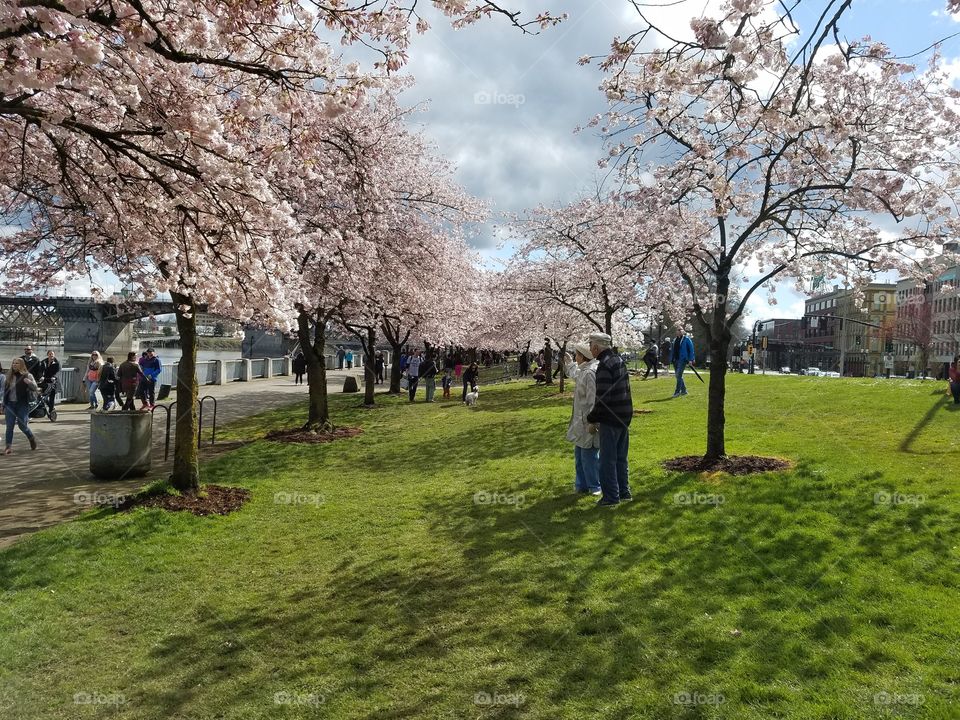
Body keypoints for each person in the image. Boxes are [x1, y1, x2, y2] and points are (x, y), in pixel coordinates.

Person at [585, 332, 633, 507]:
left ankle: (611, 497)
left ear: (596, 347)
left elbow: (602, 399)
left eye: (590, 345)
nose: (590, 348)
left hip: (611, 418)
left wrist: (592, 418)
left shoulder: (604, 365)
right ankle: (624, 492)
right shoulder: (619, 360)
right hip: (624, 416)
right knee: (621, 458)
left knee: (607, 460)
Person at [564, 342, 602, 496]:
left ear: (583, 357)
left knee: (589, 456)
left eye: (576, 355)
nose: (575, 357)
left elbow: (594, 399)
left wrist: (594, 421)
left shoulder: (590, 373)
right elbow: (575, 374)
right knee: (580, 456)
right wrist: (570, 363)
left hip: (588, 421)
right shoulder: (584, 371)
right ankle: (581, 485)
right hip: (581, 422)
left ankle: (595, 486)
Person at [3, 357, 39, 454]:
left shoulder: (28, 375)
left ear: (21, 365)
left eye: (17, 363)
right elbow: (5, 392)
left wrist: (29, 382)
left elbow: (35, 388)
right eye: (13, 363)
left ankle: (31, 438)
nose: (14, 365)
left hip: (22, 404)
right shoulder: (9, 376)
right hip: (10, 404)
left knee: (22, 426)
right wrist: (3, 404)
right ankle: (8, 447)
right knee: (9, 426)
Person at [670, 328, 696, 398]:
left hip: (683, 360)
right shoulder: (675, 340)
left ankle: (677, 392)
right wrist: (671, 359)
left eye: (680, 330)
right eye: (677, 330)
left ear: (682, 331)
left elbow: (691, 350)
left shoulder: (686, 339)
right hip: (675, 360)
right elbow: (673, 350)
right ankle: (684, 391)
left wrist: (691, 360)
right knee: (678, 376)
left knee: (678, 375)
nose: (678, 331)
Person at [38, 350, 60, 415]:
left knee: (51, 397)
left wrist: (54, 377)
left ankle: (51, 411)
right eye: (50, 354)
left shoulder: (57, 363)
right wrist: (41, 376)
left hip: (53, 381)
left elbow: (58, 372)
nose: (51, 355)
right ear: (48, 355)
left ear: (54, 355)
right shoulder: (44, 362)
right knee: (43, 396)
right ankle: (50, 406)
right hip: (45, 380)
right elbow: (40, 371)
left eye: (52, 354)